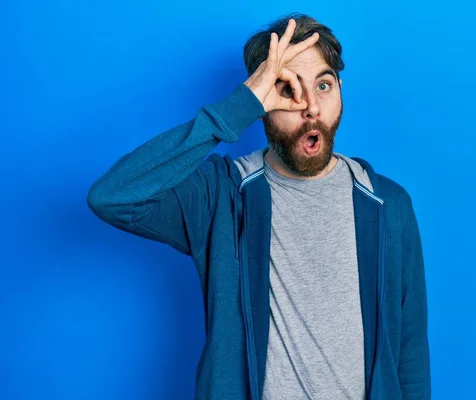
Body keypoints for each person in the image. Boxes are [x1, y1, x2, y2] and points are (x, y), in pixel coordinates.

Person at [87, 12, 431, 400]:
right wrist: (239, 106)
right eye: (287, 90)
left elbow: (410, 353)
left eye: (323, 85)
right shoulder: (221, 195)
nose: (311, 107)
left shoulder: (388, 204)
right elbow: (112, 197)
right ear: (260, 101)